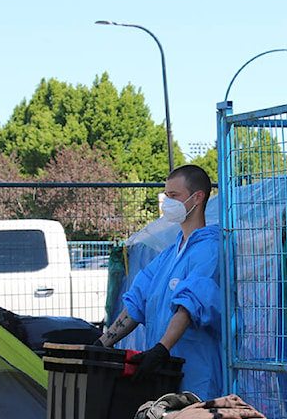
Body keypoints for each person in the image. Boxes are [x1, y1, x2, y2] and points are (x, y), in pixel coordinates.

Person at [95, 164, 223, 401]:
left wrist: (161, 349)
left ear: (197, 197)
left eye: (174, 196)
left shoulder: (210, 249)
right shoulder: (168, 255)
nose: (167, 202)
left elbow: (189, 305)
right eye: (166, 195)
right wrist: (102, 343)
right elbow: (136, 303)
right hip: (166, 377)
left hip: (196, 377)